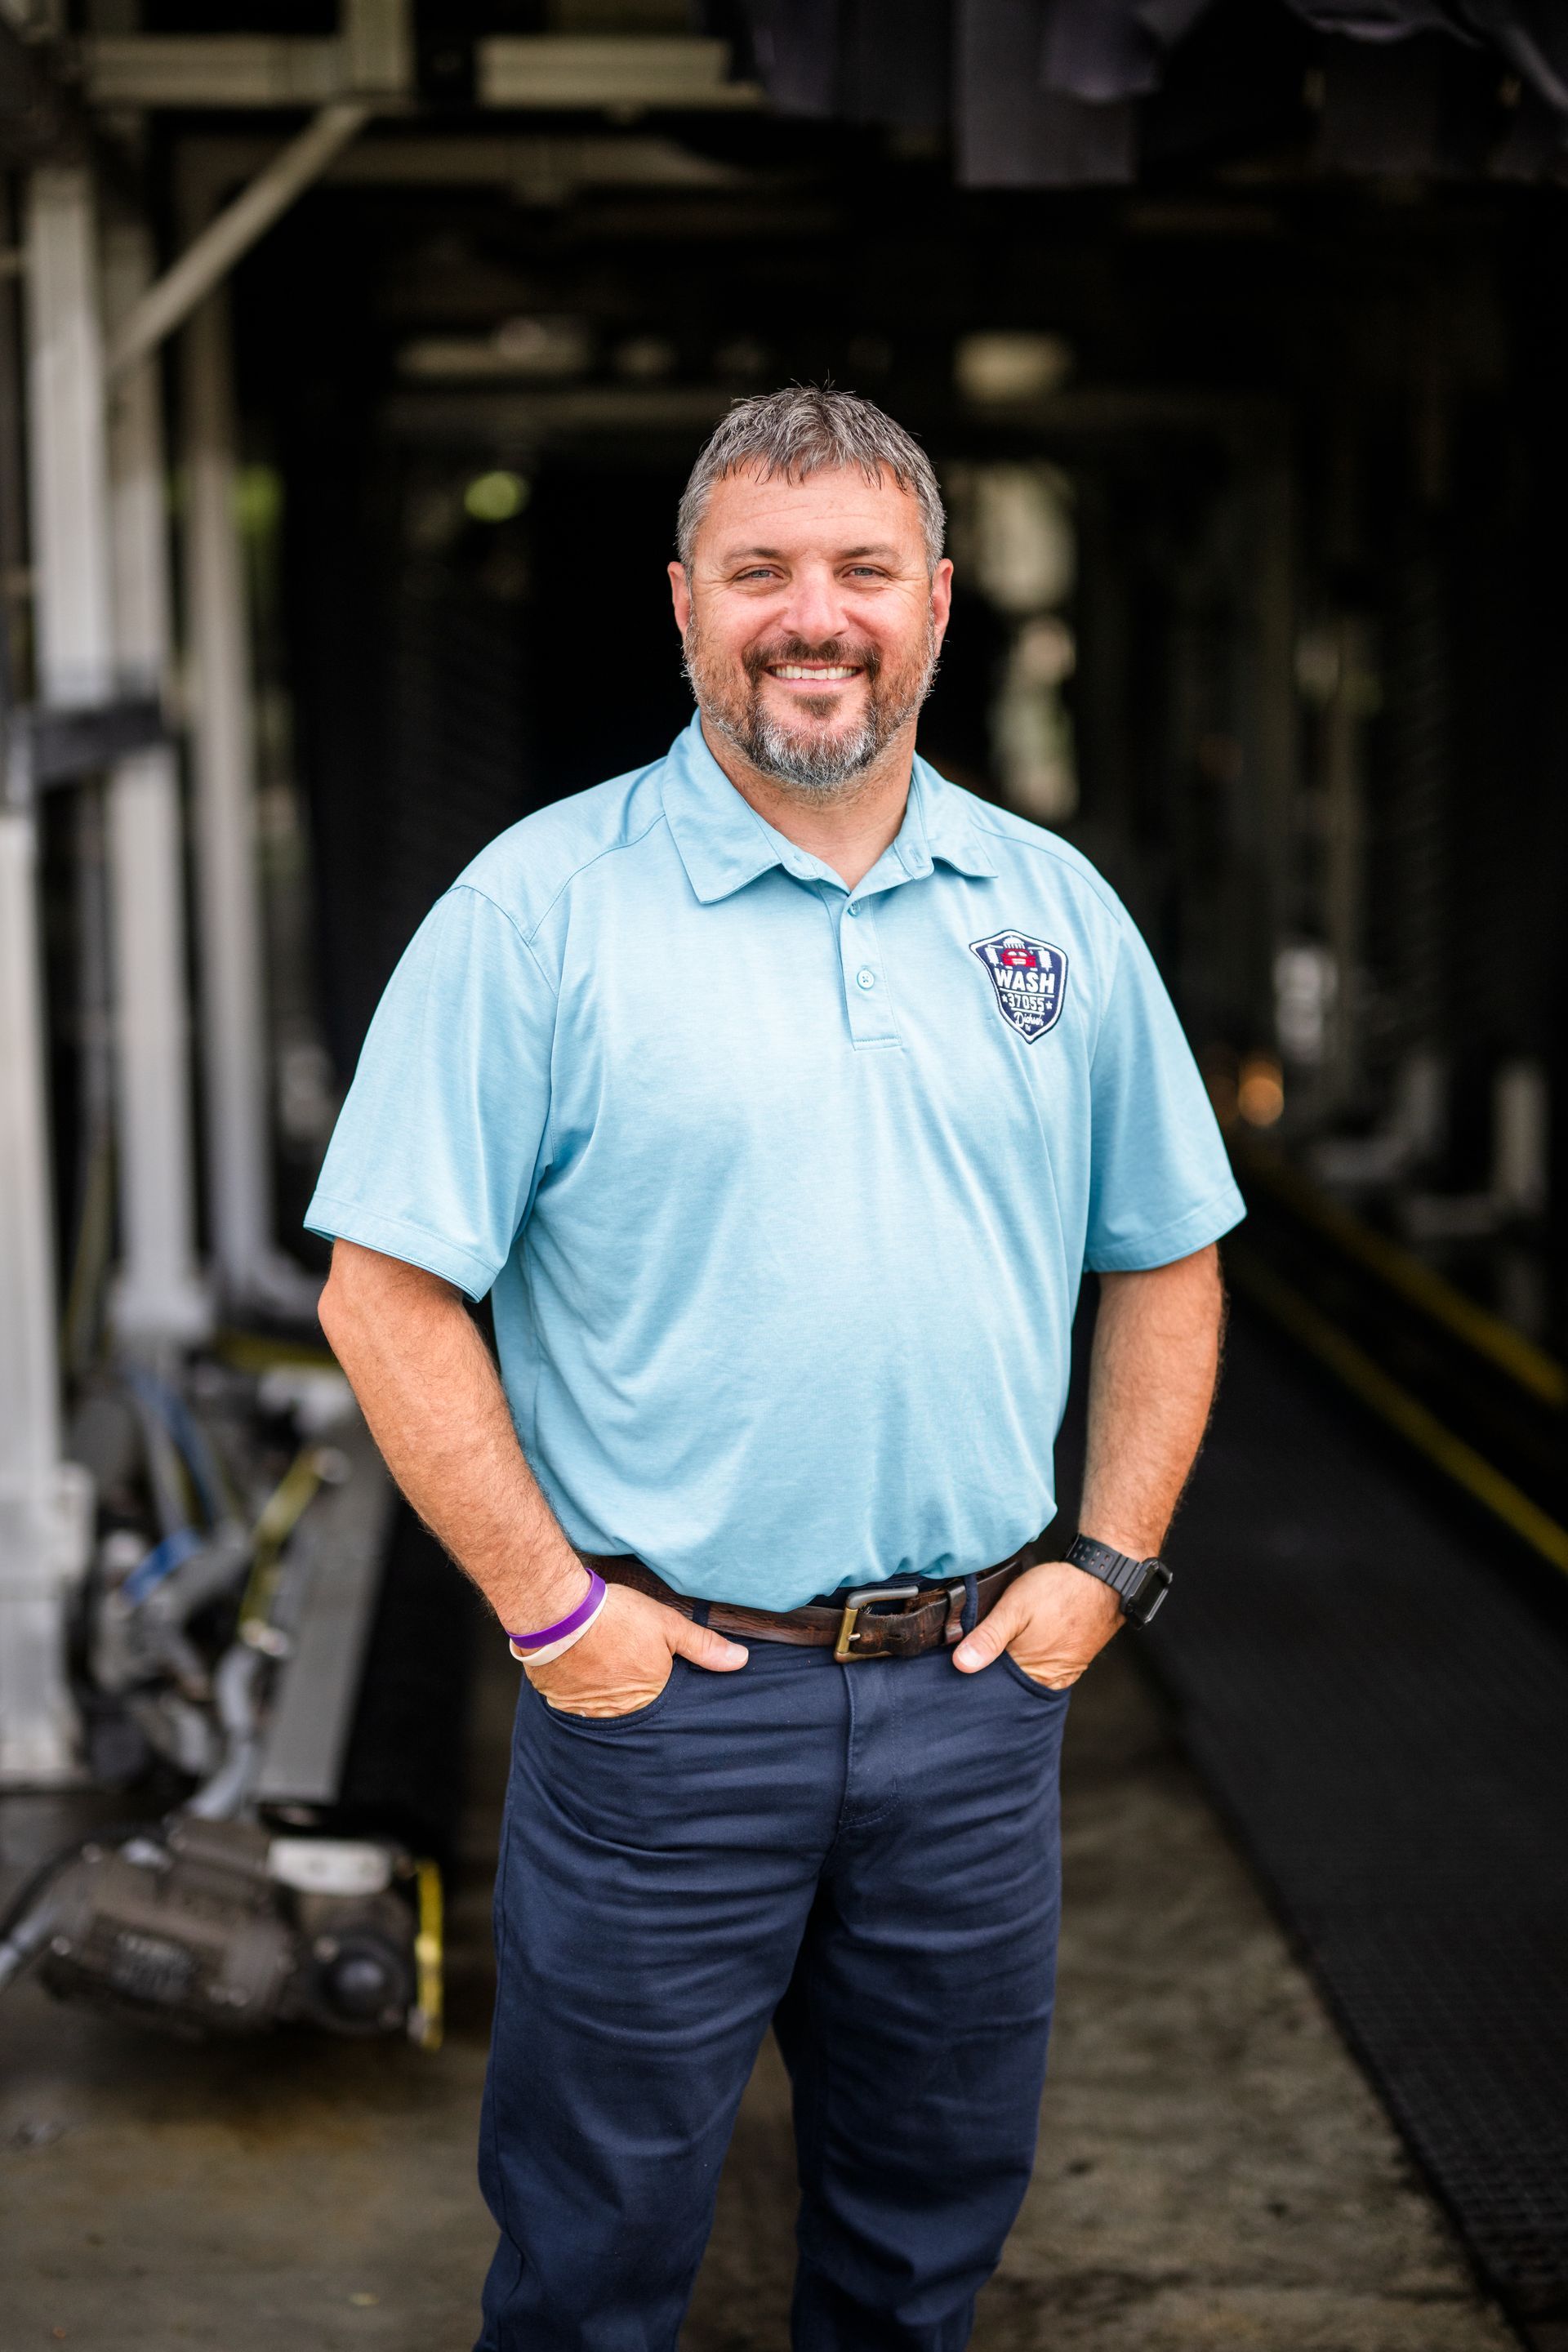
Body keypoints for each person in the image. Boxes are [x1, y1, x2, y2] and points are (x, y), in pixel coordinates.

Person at [309, 385, 1242, 2352]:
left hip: (977, 1709)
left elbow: (1167, 1257)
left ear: (937, 605)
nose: (811, 616)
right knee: (592, 2267)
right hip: (667, 1708)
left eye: (859, 572)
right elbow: (384, 1295)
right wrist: (559, 1619)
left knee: (922, 2253)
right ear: (682, 605)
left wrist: (1109, 1568)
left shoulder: (1052, 916)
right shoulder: (539, 914)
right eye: (761, 571)